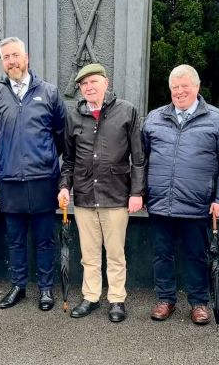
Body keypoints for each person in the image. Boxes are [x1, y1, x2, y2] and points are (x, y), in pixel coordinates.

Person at [142, 64, 219, 325]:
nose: (180, 91)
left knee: (197, 255)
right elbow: (143, 159)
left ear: (197, 87)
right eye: (175, 87)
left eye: (185, 86)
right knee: (162, 254)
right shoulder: (154, 118)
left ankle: (199, 303)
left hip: (197, 204)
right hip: (160, 202)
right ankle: (165, 299)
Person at [0, 37, 67, 311]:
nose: (12, 61)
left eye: (15, 55)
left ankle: (45, 289)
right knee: (15, 239)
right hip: (10, 182)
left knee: (44, 239)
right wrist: (3, 163)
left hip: (43, 179)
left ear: (26, 56)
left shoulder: (49, 93)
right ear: (2, 61)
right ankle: (18, 285)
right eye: (6, 57)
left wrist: (45, 159)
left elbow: (61, 135)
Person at [57, 63, 145, 322]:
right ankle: (91, 296)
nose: (89, 87)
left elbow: (138, 158)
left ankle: (117, 299)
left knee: (116, 253)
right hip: (84, 197)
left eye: (94, 81)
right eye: (84, 84)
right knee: (89, 254)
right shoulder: (74, 117)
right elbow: (69, 160)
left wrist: (137, 192)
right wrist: (64, 186)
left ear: (106, 83)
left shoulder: (126, 111)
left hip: (116, 196)